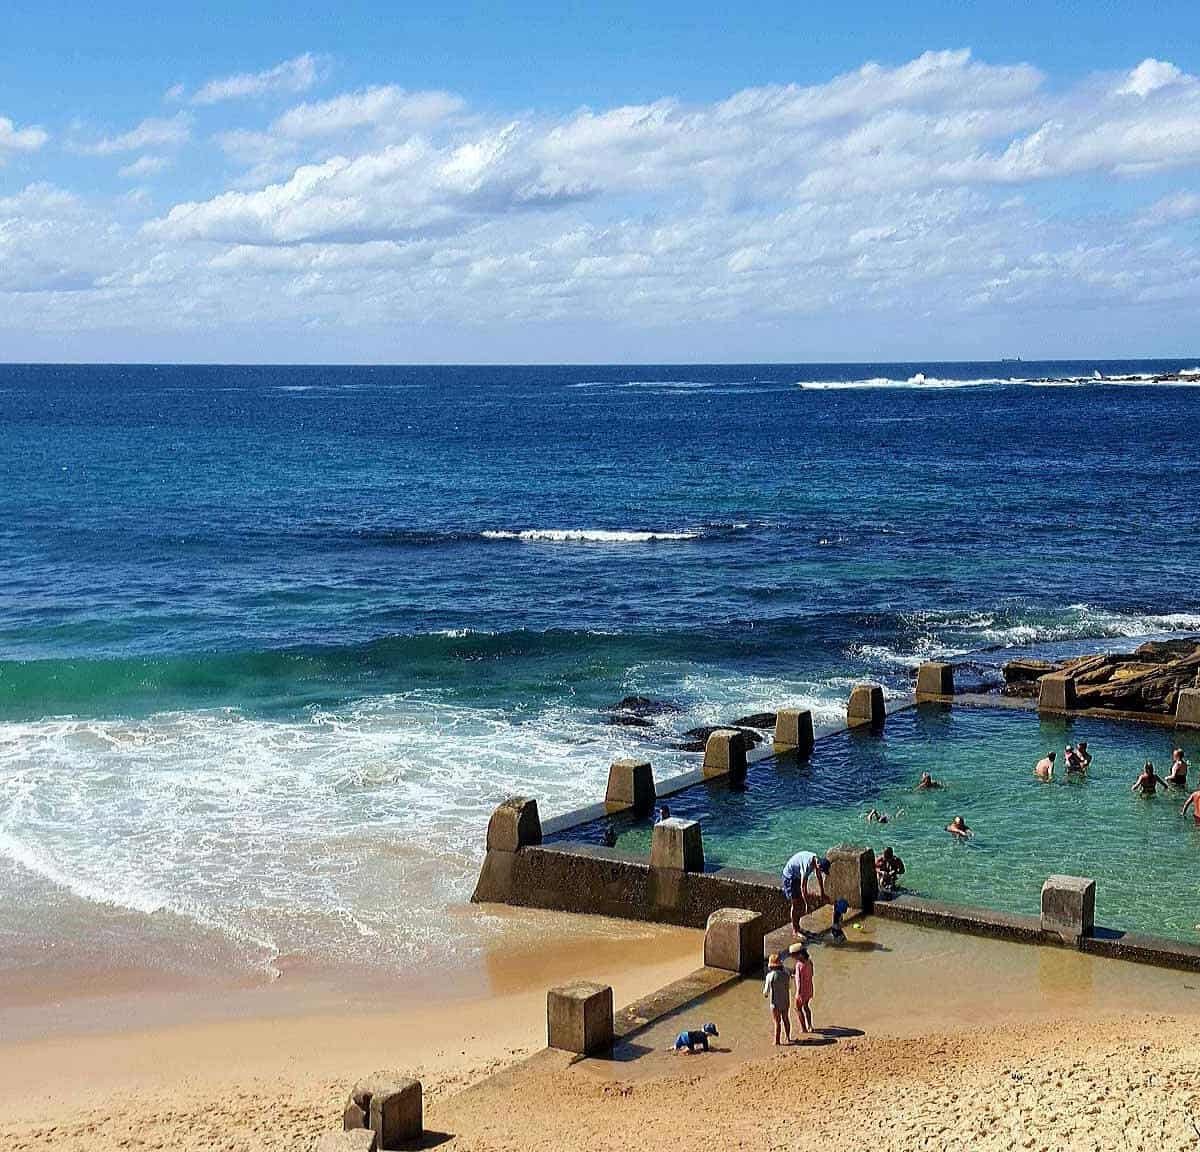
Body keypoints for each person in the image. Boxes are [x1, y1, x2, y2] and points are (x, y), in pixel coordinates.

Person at [782, 850, 830, 934]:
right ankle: (795, 930)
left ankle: (798, 928)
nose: (821, 872)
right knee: (796, 903)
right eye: (822, 870)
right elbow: (803, 887)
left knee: (800, 903)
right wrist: (807, 904)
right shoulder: (807, 866)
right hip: (790, 877)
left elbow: (819, 877)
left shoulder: (816, 860)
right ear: (818, 866)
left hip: (797, 876)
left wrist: (822, 893)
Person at [763, 953, 792, 1045]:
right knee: (786, 1019)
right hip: (785, 1001)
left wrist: (765, 995)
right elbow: (789, 986)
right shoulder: (786, 974)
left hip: (775, 1003)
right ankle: (788, 1037)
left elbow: (766, 991)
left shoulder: (770, 976)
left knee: (777, 1022)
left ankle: (777, 1040)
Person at [793, 946, 814, 1033]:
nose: (793, 957)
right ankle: (810, 1026)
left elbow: (799, 981)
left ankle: (803, 1028)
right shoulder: (809, 962)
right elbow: (811, 974)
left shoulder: (798, 965)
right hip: (809, 988)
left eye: (794, 955)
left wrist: (798, 994)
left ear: (800, 955)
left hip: (802, 991)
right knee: (806, 1006)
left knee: (797, 1008)